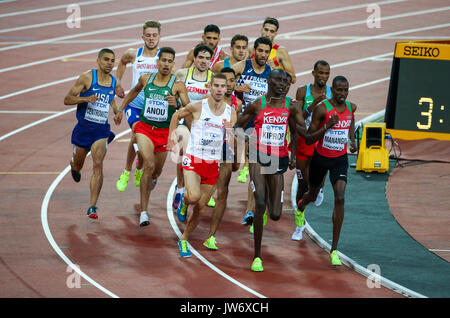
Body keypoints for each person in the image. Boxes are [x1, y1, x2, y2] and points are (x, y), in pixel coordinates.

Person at [234, 69, 305, 271]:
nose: (282, 84)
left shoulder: (291, 107)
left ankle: (264, 213)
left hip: (279, 159)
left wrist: (293, 155)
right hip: (259, 155)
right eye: (278, 80)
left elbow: (296, 130)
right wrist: (248, 137)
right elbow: (237, 127)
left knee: (275, 214)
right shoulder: (257, 105)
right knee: (261, 202)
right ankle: (257, 257)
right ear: (269, 81)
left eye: (285, 81)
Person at [114, 47, 190, 227]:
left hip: (164, 133)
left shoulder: (177, 85)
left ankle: (148, 176)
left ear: (173, 65)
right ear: (158, 62)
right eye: (163, 60)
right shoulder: (146, 78)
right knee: (148, 164)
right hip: (145, 128)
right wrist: (121, 108)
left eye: (169, 61)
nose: (166, 64)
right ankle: (144, 212)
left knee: (156, 171)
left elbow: (187, 108)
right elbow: (134, 91)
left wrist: (177, 103)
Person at [168, 73, 237, 258]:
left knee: (201, 207)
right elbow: (176, 115)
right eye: (216, 85)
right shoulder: (199, 106)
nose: (220, 89)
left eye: (223, 86)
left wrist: (230, 133)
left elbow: (230, 141)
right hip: (194, 159)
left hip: (213, 164)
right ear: (209, 86)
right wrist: (171, 139)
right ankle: (184, 201)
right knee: (193, 197)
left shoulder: (231, 112)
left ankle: (184, 239)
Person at [296, 75, 357, 266]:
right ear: (333, 90)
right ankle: (301, 206)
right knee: (312, 195)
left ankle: (334, 249)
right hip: (321, 159)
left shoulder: (350, 107)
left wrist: (353, 141)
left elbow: (350, 122)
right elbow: (308, 139)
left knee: (340, 197)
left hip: (340, 159)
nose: (342, 94)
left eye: (345, 90)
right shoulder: (323, 109)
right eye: (339, 90)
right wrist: (327, 127)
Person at [64, 48, 121, 219]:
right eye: (106, 59)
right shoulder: (87, 78)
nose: (109, 63)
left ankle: (92, 206)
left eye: (112, 60)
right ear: (98, 60)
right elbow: (67, 99)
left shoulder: (113, 81)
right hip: (83, 130)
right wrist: (85, 99)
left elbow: (111, 96)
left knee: (98, 164)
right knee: (79, 165)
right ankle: (74, 163)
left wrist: (116, 110)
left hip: (101, 131)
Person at [115, 20, 162, 192]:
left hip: (153, 107)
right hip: (134, 104)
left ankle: (139, 168)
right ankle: (127, 171)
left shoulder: (163, 57)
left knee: (145, 141)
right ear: (142, 36)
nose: (151, 38)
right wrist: (118, 82)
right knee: (137, 133)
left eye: (154, 35)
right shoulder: (134, 54)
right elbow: (121, 63)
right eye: (148, 35)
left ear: (159, 37)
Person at [232, 36, 272, 227]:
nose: (263, 55)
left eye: (266, 51)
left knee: (257, 171)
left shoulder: (272, 72)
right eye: (260, 51)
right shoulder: (243, 66)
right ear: (254, 51)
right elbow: (219, 79)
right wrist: (238, 87)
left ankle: (250, 211)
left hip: (262, 125)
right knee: (231, 164)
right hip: (243, 121)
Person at [291, 60, 332, 241]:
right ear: (313, 73)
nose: (323, 77)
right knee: (303, 184)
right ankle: (300, 224)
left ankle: (319, 188)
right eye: (320, 73)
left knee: (316, 185)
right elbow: (298, 118)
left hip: (322, 143)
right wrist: (313, 104)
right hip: (303, 142)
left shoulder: (333, 93)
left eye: (326, 74)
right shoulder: (302, 91)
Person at [203, 67, 242, 250]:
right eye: (219, 84)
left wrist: (236, 157)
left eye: (229, 82)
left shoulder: (237, 106)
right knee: (200, 194)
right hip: (204, 151)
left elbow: (236, 133)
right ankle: (186, 203)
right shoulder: (204, 103)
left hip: (225, 151)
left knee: (223, 192)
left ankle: (211, 236)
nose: (224, 87)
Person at [172, 43, 214, 210]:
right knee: (184, 151)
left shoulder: (214, 78)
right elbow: (174, 96)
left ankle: (203, 190)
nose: (203, 61)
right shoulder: (182, 74)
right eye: (200, 57)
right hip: (184, 120)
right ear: (194, 58)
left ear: (211, 61)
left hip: (204, 124)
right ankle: (180, 190)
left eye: (207, 58)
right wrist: (175, 104)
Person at [249, 17, 296, 84]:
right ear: (261, 30)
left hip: (270, 92)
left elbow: (293, 79)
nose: (267, 34)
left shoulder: (280, 51)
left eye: (271, 31)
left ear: (275, 34)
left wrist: (276, 69)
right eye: (266, 30)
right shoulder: (252, 49)